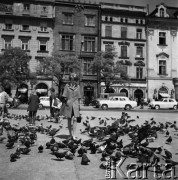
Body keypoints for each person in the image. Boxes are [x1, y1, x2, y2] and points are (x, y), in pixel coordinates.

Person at [60, 73, 81, 139]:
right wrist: (66, 100)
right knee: (69, 120)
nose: (73, 81)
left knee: (75, 119)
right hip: (69, 105)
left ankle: (74, 135)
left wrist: (79, 106)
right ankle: (70, 134)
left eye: (75, 80)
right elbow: (64, 95)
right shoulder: (67, 86)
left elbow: (79, 97)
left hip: (76, 105)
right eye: (72, 79)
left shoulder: (78, 87)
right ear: (70, 80)